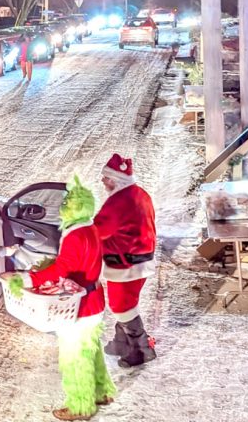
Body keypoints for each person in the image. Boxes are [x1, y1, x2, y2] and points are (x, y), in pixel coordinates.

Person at [4, 176, 116, 421]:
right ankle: (102, 391)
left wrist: (27, 279)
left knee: (75, 358)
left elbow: (61, 269)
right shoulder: (91, 228)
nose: (63, 207)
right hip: (95, 299)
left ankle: (80, 406)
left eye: (66, 204)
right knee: (92, 350)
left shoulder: (75, 235)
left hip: (78, 307)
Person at [94, 153, 158, 368]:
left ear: (116, 179)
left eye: (106, 178)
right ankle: (121, 343)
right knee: (126, 304)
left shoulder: (119, 201)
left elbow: (99, 230)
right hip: (141, 260)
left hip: (125, 264)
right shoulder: (139, 194)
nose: (103, 181)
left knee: (121, 306)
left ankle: (141, 351)